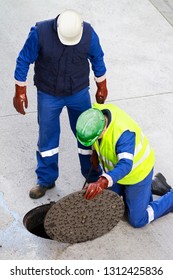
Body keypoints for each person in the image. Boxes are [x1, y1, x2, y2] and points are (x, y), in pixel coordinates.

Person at [13, 9, 107, 199]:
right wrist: (19, 90)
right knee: (48, 137)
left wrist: (101, 85)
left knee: (87, 134)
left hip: (78, 92)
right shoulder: (40, 33)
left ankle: (93, 177)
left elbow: (98, 58)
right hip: (49, 93)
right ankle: (46, 179)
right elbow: (24, 60)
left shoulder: (88, 34)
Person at [76, 102, 173, 228]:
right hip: (116, 172)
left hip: (137, 173)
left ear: (103, 129)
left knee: (137, 220)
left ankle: (169, 198)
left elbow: (126, 165)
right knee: (105, 203)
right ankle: (151, 186)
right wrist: (94, 153)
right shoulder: (94, 116)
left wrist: (102, 181)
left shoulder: (123, 134)